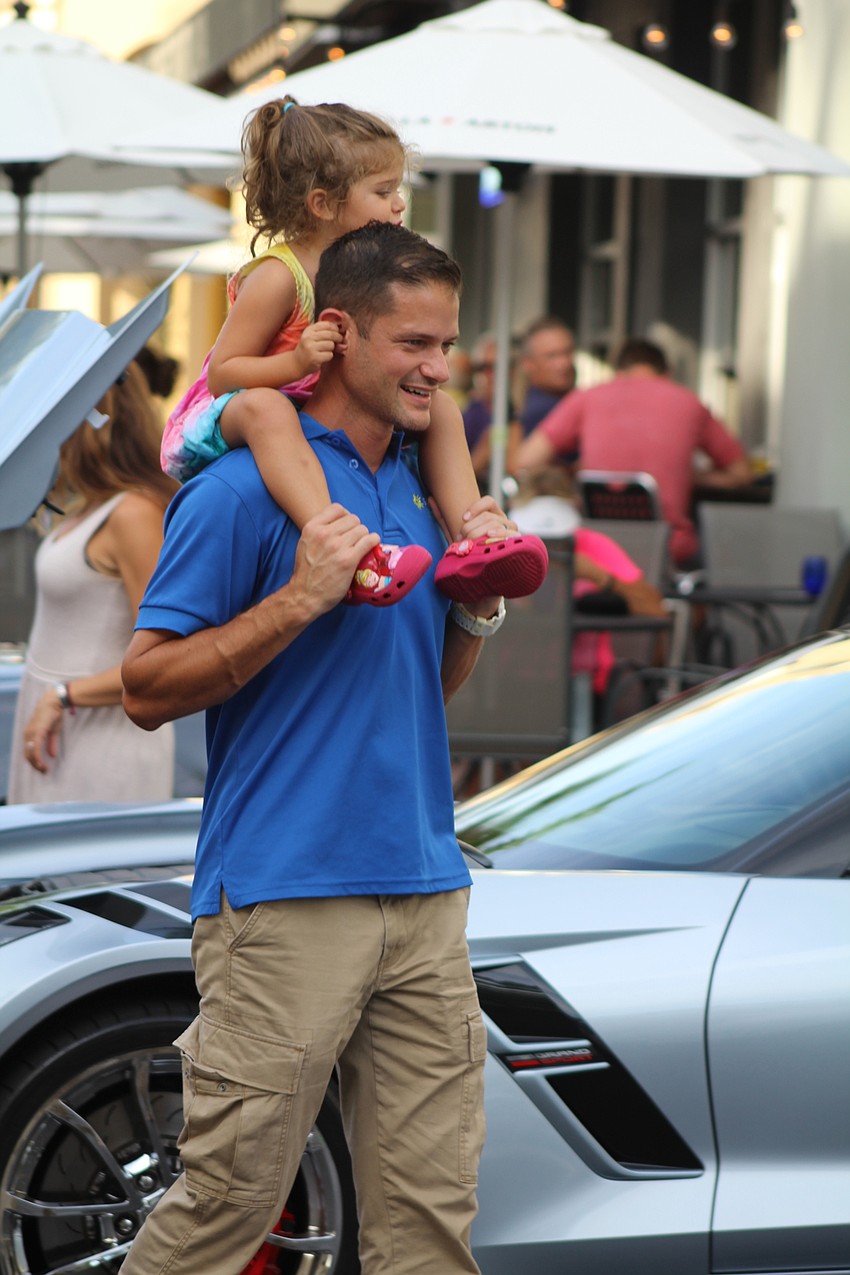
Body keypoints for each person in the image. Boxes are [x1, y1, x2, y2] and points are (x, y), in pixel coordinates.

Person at [119, 222, 508, 1275]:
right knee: (223, 1214)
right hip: (286, 895)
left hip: (426, 888)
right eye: (413, 345)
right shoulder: (242, 489)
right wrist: (297, 599)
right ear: (338, 337)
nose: (437, 369)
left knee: (428, 1224)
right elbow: (147, 687)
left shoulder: (424, 492)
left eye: (447, 346)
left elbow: (415, 690)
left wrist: (471, 608)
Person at [161, 95, 546, 608]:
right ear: (323, 204)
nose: (400, 204)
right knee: (268, 407)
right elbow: (224, 375)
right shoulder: (281, 275)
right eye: (384, 191)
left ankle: (473, 541)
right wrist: (296, 362)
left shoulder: (367, 272)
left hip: (315, 408)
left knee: (444, 411)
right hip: (243, 408)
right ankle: (343, 548)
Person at [7, 362, 179, 803]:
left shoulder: (133, 514)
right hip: (58, 725)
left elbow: (164, 659)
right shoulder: (90, 507)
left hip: (99, 735)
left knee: (86, 870)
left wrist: (65, 696)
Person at [517, 336, 753, 566]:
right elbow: (742, 473)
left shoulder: (587, 397)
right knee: (723, 556)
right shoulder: (689, 401)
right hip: (667, 551)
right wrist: (689, 476)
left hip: (598, 551)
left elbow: (524, 461)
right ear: (666, 374)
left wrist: (573, 470)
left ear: (618, 372)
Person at [510, 466, 666, 707]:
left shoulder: (591, 546)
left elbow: (656, 609)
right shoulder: (503, 546)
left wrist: (599, 576)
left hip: (582, 682)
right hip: (511, 682)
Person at [516, 316, 576, 436]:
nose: (563, 363)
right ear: (528, 363)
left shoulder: (525, 403)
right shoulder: (543, 410)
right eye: (552, 356)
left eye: (567, 353)